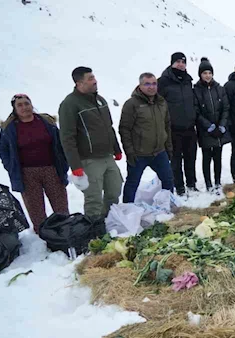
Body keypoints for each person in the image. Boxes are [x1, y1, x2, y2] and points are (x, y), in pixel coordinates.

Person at [0, 94, 69, 233]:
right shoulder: (9, 128)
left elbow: (60, 144)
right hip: (26, 173)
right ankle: (44, 234)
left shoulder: (46, 122)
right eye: (20, 105)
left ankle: (65, 230)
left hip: (51, 169)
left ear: (31, 105)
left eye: (26, 103)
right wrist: (10, 167)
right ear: (14, 109)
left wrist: (64, 162)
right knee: (36, 209)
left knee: (60, 205)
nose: (24, 107)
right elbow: (3, 149)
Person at [59, 66, 123, 218]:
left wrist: (116, 148)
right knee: (94, 198)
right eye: (90, 79)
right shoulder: (70, 104)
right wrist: (75, 165)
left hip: (107, 156)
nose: (95, 81)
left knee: (114, 191)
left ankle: (108, 221)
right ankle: (93, 230)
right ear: (79, 83)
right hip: (89, 160)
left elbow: (109, 127)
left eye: (94, 77)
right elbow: (67, 137)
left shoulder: (99, 100)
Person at [119, 73, 174, 203]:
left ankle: (168, 204)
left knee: (168, 179)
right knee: (132, 183)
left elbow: (166, 125)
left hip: (159, 152)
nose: (151, 87)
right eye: (147, 84)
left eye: (154, 84)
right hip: (139, 154)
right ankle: (128, 209)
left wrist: (169, 147)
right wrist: (130, 151)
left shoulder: (161, 102)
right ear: (140, 85)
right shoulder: (132, 104)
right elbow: (124, 129)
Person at [158, 52, 197, 195]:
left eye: (183, 62)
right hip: (173, 128)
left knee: (190, 157)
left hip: (189, 127)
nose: (181, 64)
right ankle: (179, 187)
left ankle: (191, 184)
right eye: (178, 61)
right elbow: (158, 104)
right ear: (172, 63)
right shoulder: (163, 81)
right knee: (175, 160)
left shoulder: (187, 80)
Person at [193, 58, 231, 193]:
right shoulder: (196, 90)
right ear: (200, 75)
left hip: (219, 129)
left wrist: (222, 125)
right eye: (204, 73)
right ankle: (208, 183)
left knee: (218, 157)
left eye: (209, 72)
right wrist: (209, 126)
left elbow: (226, 108)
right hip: (205, 130)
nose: (207, 75)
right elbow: (196, 111)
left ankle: (217, 182)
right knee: (207, 158)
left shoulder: (219, 89)